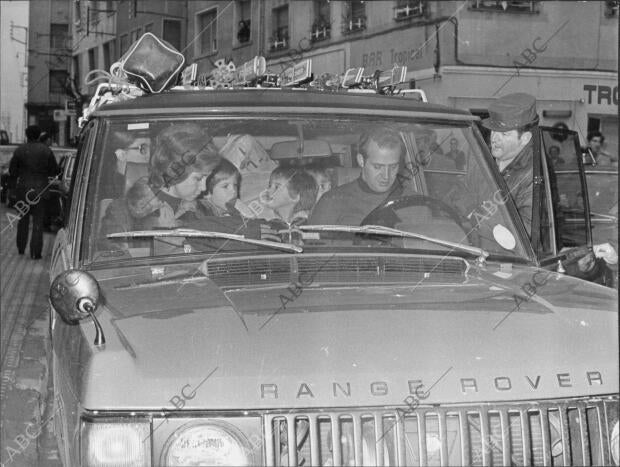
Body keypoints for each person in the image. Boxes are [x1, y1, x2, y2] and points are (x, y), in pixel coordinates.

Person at [309, 126, 404, 225]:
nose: (386, 176)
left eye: (393, 167)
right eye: (377, 167)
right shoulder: (332, 203)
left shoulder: (413, 202)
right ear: (361, 161)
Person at [9, 125, 59, 259]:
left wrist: (13, 188)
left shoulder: (19, 150)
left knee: (23, 219)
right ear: (38, 136)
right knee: (38, 221)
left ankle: (21, 247)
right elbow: (54, 170)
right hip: (41, 189)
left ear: (26, 135)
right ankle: (36, 252)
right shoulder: (46, 151)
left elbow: (12, 171)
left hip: (23, 189)